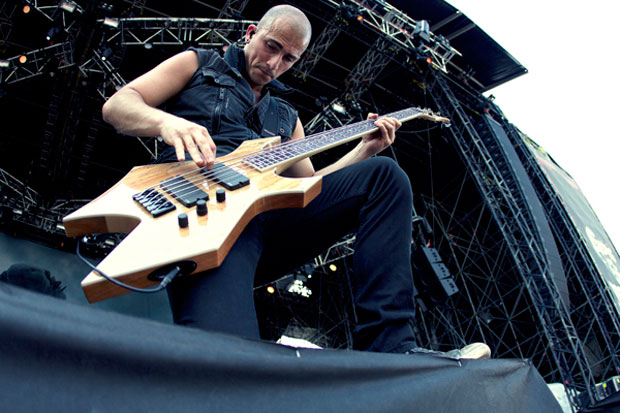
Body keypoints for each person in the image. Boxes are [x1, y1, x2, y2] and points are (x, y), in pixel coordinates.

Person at [101, 4, 490, 359]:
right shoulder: (200, 64)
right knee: (228, 362)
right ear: (251, 33)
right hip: (205, 221)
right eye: (271, 47)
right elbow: (118, 105)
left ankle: (392, 346)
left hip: (271, 222)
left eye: (289, 58)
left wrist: (363, 152)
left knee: (384, 176)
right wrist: (168, 123)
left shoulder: (286, 116)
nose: (274, 63)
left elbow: (310, 186)